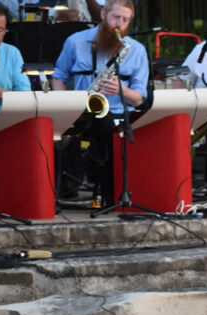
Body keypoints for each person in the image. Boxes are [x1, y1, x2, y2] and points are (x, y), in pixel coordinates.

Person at [51, 0, 148, 205]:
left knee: (109, 126)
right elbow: (59, 76)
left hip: (120, 115)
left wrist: (122, 90)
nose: (119, 24)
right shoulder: (75, 41)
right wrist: (63, 105)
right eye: (115, 17)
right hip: (81, 112)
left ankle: (112, 192)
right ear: (103, 14)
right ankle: (98, 189)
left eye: (125, 20)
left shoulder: (136, 50)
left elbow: (140, 97)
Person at [0, 2, 30, 115]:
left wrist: (1, 94)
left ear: (5, 32)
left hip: (2, 121)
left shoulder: (13, 53)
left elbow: (25, 95)